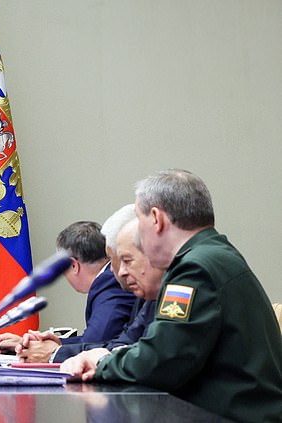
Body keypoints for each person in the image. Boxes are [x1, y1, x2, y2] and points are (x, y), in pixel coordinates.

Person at [61, 169, 282, 423]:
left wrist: (103, 362)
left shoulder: (194, 269)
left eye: (139, 223)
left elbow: (161, 361)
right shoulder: (215, 253)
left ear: (156, 219)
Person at [0, 221, 135, 357]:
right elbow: (99, 341)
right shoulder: (107, 279)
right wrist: (44, 344)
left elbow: (94, 343)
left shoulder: (110, 281)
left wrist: (50, 351)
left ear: (73, 265)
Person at [50, 218, 161, 362]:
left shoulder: (110, 282)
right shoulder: (137, 289)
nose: (121, 272)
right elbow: (124, 341)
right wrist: (57, 344)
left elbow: (98, 341)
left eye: (127, 260)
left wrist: (54, 352)